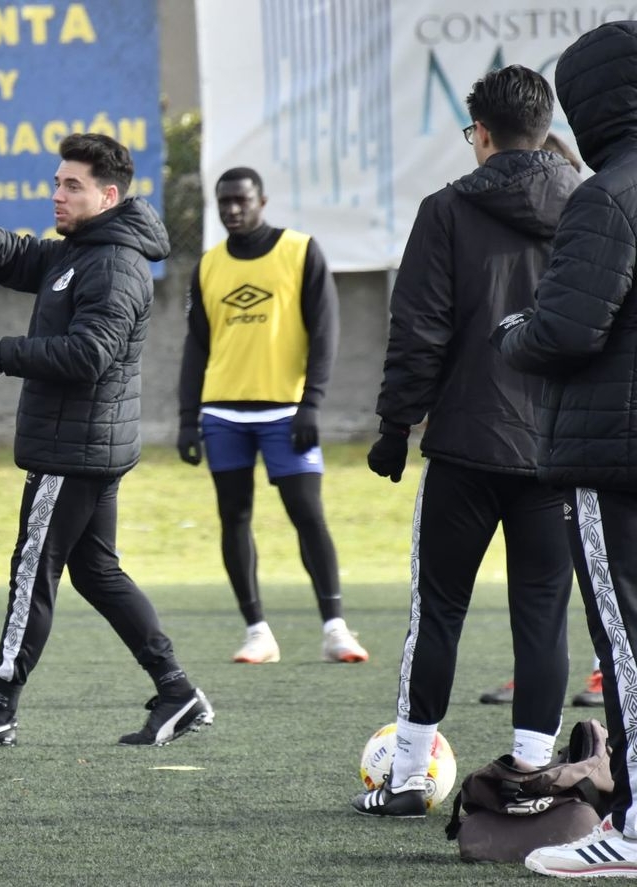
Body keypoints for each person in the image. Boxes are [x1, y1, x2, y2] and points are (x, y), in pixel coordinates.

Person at [0, 132, 213, 747]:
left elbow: (89, 354)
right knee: (97, 572)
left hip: (74, 450)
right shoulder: (83, 249)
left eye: (71, 186)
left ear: (108, 195)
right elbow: (27, 261)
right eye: (56, 182)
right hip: (85, 444)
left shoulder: (115, 263)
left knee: (33, 569)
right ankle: (178, 693)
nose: (58, 194)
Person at [352, 65, 581, 818]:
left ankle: (410, 774)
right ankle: (532, 782)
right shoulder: (591, 205)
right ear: (544, 126)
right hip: (559, 447)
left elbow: (420, 329)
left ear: (480, 133)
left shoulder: (446, 208)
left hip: (467, 443)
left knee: (439, 607)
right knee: (543, 611)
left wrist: (395, 425)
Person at [494, 22, 637, 877]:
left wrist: (516, 331)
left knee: (626, 642)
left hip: (612, 453)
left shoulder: (607, 193)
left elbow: (569, 330)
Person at [175, 167, 368, 665]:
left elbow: (325, 332)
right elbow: (196, 345)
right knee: (233, 518)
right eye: (224, 203)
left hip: (287, 413)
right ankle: (258, 632)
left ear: (262, 200)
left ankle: (335, 629)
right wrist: (185, 417)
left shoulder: (301, 251)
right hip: (222, 414)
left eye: (241, 200)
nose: (232, 210)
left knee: (308, 516)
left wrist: (312, 403)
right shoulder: (209, 265)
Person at [477, 130, 602, 711]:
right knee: (549, 576)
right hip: (537, 429)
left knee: (600, 566)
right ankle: (537, 676)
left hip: (585, 430)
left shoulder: (600, 222)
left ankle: (606, 670)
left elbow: (574, 333)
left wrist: (513, 335)